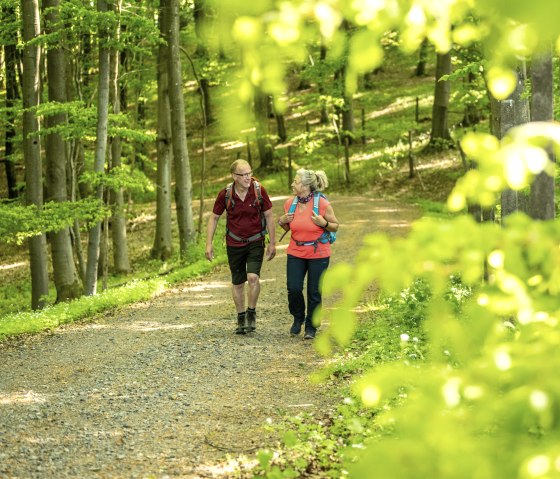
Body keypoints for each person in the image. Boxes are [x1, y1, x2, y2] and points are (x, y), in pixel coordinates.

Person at [206, 159, 276, 334]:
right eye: (243, 174)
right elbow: (214, 218)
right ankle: (241, 318)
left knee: (253, 277)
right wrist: (209, 243)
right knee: (238, 282)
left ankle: (251, 312)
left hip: (255, 241)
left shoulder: (259, 190)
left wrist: (272, 243)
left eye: (249, 173)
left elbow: (269, 216)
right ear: (234, 176)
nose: (248, 177)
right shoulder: (225, 194)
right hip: (234, 243)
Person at [277, 168, 339, 340]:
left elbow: (335, 226)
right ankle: (298, 317)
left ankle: (311, 326)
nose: (292, 184)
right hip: (296, 251)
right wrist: (282, 221)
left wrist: (323, 222)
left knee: (314, 291)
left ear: (305, 185)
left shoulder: (323, 204)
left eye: (295, 182)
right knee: (294, 288)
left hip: (318, 252)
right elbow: (290, 227)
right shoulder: (290, 203)